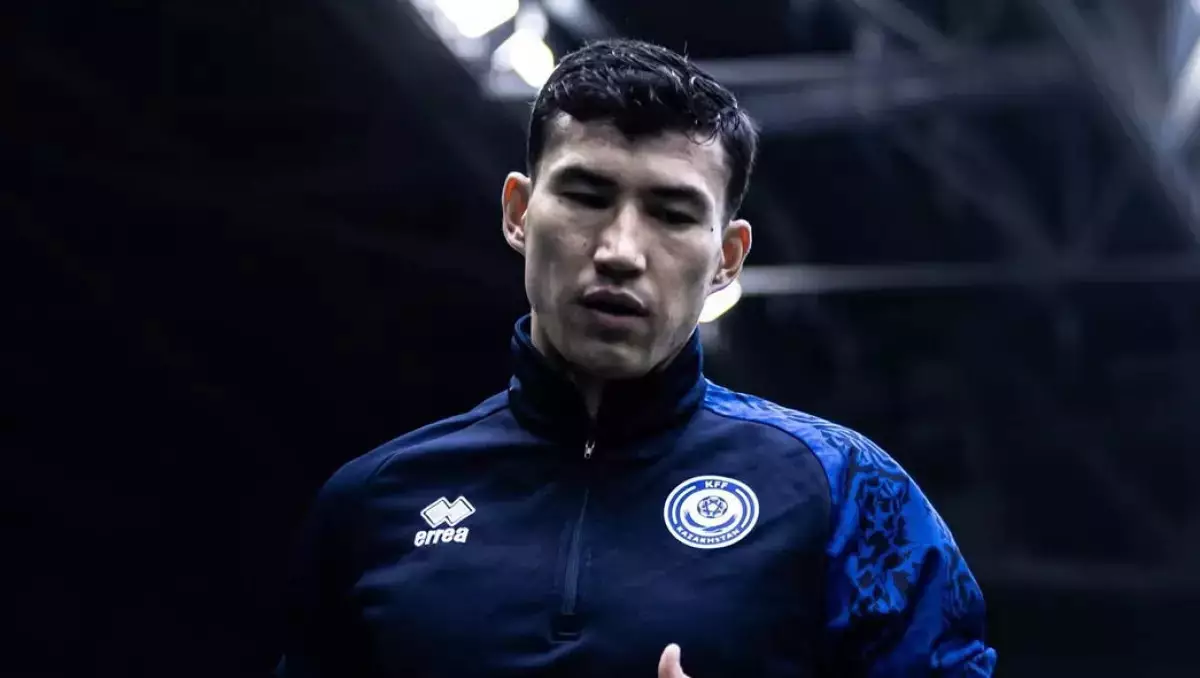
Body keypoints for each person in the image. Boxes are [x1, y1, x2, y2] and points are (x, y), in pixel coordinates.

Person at [276, 38, 997, 677]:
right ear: (519, 213)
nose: (620, 251)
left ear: (727, 258)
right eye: (586, 196)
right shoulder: (373, 504)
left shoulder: (848, 492)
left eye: (672, 214)